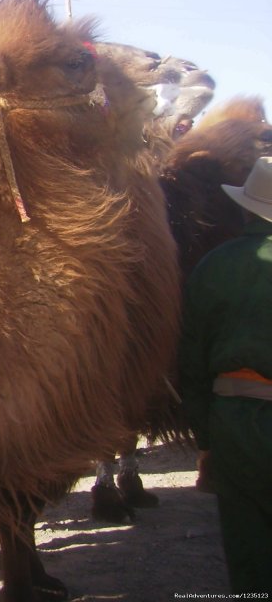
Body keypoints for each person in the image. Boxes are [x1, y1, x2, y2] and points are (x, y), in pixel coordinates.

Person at [178, 155, 272, 593]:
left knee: (248, 548)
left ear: (246, 208)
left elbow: (191, 365)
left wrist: (206, 439)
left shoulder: (213, 267)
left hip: (235, 420)